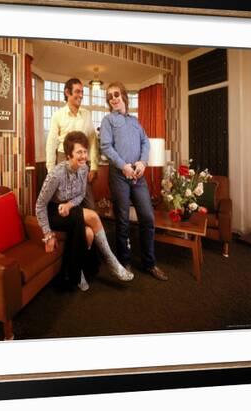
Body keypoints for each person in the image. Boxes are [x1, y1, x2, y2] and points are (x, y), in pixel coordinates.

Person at [36, 131, 133, 291]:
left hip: (70, 209)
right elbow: (40, 205)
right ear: (68, 155)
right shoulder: (56, 174)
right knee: (93, 216)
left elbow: (81, 194)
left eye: (85, 151)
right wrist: (47, 234)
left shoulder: (83, 169)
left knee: (88, 233)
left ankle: (78, 271)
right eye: (79, 152)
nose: (83, 156)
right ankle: (112, 262)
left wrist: (69, 205)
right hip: (53, 213)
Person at [99, 82, 168, 281]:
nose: (113, 98)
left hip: (138, 176)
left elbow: (145, 142)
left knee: (148, 218)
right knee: (122, 221)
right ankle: (124, 261)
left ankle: (149, 263)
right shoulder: (108, 120)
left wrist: (143, 162)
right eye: (110, 95)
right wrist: (124, 165)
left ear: (124, 96)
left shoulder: (135, 121)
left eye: (116, 94)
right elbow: (106, 146)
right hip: (120, 176)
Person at [45, 78, 98, 209]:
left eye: (82, 92)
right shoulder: (58, 115)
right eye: (77, 92)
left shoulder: (87, 114)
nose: (81, 95)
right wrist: (51, 170)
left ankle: (89, 227)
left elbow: (92, 141)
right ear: (67, 92)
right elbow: (51, 143)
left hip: (82, 161)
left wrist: (94, 166)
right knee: (67, 205)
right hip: (64, 159)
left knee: (90, 205)